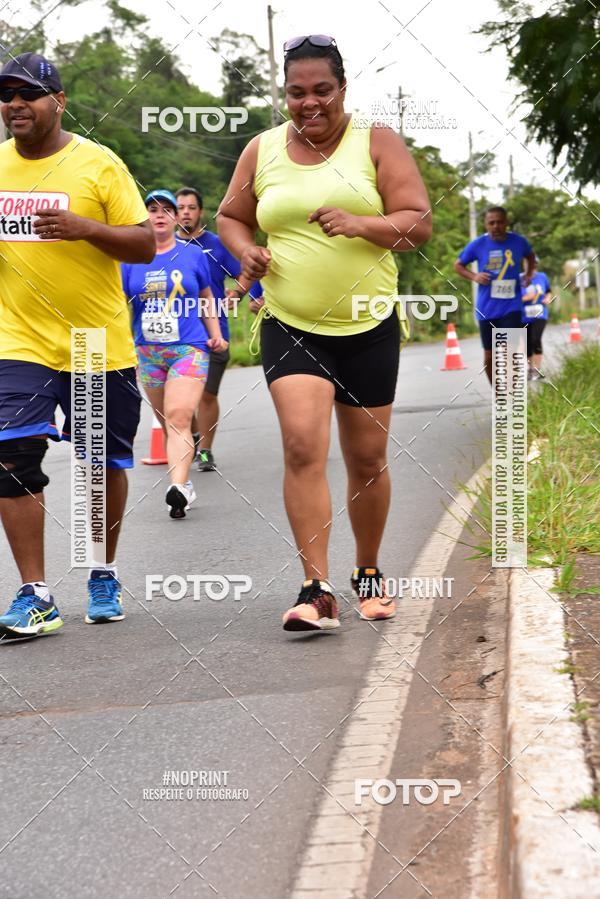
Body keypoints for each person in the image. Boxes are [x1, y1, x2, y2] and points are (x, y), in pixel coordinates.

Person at [217, 35, 431, 632]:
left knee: (366, 458)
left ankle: (368, 572)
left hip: (368, 323)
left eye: (321, 91)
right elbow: (230, 216)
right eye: (296, 93)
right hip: (290, 323)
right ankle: (316, 588)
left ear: (342, 89)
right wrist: (246, 253)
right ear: (284, 94)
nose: (309, 103)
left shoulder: (376, 140)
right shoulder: (262, 149)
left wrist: (360, 222)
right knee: (303, 447)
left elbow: (417, 224)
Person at [0, 52, 155, 638]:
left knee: (97, 467)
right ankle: (35, 593)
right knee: (10, 458)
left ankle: (101, 570)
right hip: (17, 340)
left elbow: (143, 245)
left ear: (58, 102)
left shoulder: (98, 164)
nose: (15, 104)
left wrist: (86, 228)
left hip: (95, 342)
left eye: (29, 94)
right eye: (7, 95)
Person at [122, 190, 228, 518]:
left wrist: (216, 335)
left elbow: (207, 296)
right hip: (148, 352)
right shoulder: (128, 260)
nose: (159, 215)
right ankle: (185, 481)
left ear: (174, 218)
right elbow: (118, 305)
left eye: (166, 210)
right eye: (152, 209)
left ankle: (179, 486)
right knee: (169, 422)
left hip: (189, 348)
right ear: (144, 217)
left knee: (180, 415)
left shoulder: (192, 255)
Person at [176, 187, 262, 471]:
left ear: (200, 212)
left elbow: (247, 271)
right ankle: (197, 435)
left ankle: (205, 451)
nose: (185, 212)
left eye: (191, 207)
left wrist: (240, 294)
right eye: (180, 208)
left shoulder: (216, 244)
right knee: (182, 398)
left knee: (207, 395)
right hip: (177, 335)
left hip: (215, 333)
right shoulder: (165, 248)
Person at [454, 206, 535, 384]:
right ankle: (498, 394)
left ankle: (510, 394)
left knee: (509, 351)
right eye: (492, 223)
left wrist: (528, 275)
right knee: (489, 356)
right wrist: (474, 276)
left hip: (511, 306)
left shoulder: (518, 242)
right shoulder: (478, 245)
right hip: (486, 308)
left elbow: (530, 256)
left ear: (506, 222)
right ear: (486, 224)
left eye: (499, 222)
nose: (496, 226)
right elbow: (458, 265)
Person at [521, 264, 551, 380]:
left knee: (536, 339)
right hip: (524, 315)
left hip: (540, 313)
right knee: (527, 343)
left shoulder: (542, 276)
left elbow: (548, 291)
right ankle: (530, 369)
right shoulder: (518, 278)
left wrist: (548, 298)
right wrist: (527, 298)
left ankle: (537, 369)